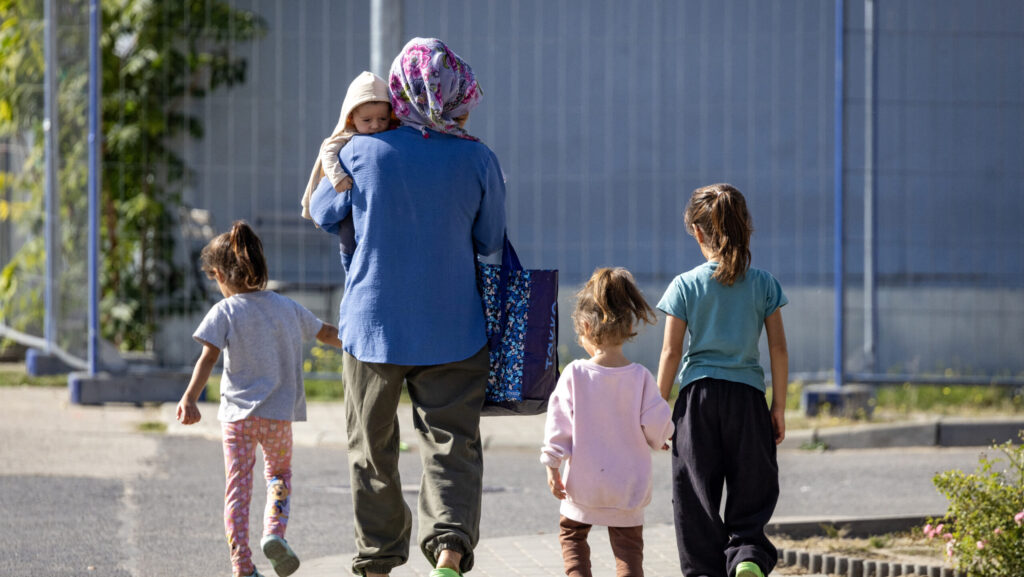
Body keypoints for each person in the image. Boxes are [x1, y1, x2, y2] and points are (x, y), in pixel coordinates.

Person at [308, 37, 505, 577]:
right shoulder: (477, 157)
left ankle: (377, 560)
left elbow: (323, 212)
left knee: (372, 448)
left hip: (373, 328)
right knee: (452, 444)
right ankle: (449, 547)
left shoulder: (358, 151)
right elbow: (490, 241)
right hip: (455, 330)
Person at [175, 221, 343, 577]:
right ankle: (273, 533)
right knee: (279, 476)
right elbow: (326, 333)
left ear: (220, 274)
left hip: (238, 418)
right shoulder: (287, 307)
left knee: (238, 487)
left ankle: (242, 565)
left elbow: (208, 358)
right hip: (278, 417)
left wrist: (190, 398)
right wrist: (359, 341)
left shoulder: (226, 312)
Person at [655, 184, 789, 577]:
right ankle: (747, 554)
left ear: (697, 233)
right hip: (747, 399)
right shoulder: (764, 283)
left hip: (697, 401)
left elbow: (670, 353)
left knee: (695, 498)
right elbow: (778, 349)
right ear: (746, 226)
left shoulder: (684, 285)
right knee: (752, 490)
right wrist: (777, 406)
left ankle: (704, 572)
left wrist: (658, 409)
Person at [541, 267, 674, 577]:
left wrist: (552, 466)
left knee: (572, 534)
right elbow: (658, 425)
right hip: (628, 486)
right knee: (629, 549)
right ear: (628, 325)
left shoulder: (575, 374)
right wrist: (662, 439)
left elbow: (558, 425)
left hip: (585, 483)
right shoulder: (641, 377)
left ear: (585, 326)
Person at [300, 70, 396, 271]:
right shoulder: (347, 136)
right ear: (351, 117)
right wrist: (337, 177)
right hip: (346, 198)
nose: (375, 125)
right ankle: (348, 264)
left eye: (382, 119)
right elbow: (329, 153)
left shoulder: (391, 135)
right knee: (348, 234)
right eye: (367, 120)